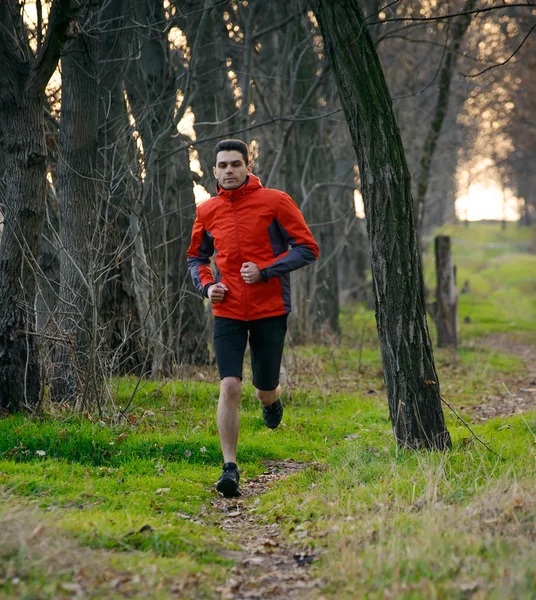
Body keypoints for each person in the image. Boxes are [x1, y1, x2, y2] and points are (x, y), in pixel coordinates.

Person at [187, 139, 319, 497]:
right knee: (229, 385)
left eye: (235, 164)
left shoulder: (275, 201)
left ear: (248, 166)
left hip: (269, 308)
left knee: (263, 390)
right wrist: (208, 286)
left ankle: (272, 401)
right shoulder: (207, 211)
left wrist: (266, 271)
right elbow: (196, 259)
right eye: (222, 165)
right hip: (227, 310)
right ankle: (229, 467)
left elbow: (308, 248)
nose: (229, 170)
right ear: (214, 171)